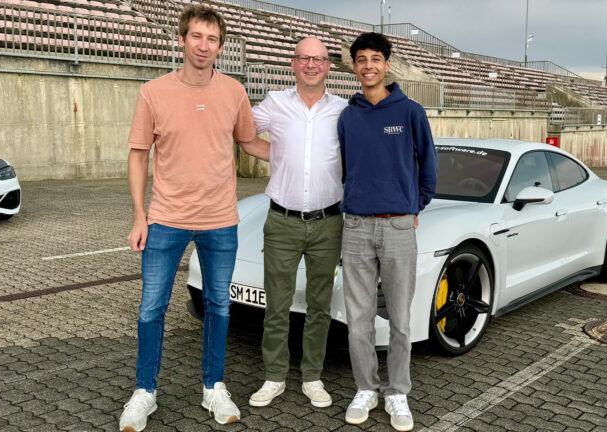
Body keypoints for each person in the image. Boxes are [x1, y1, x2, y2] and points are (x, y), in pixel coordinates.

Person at [119, 5, 268, 431]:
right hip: (165, 218)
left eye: (212, 39)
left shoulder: (234, 92)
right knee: (152, 306)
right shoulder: (153, 92)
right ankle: (144, 391)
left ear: (221, 46)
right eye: (197, 36)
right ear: (182, 39)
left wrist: (305, 159)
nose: (204, 46)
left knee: (219, 305)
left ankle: (213, 387)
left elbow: (250, 142)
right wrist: (138, 216)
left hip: (221, 219)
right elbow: (138, 154)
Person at [337, 32, 437, 432]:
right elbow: (347, 168)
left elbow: (428, 168)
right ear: (355, 66)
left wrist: (413, 206)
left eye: (375, 59)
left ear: (387, 64)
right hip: (357, 227)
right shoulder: (348, 116)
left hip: (398, 227)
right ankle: (366, 388)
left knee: (399, 318)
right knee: (358, 318)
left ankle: (397, 392)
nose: (368, 66)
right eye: (360, 60)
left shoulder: (410, 112)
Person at [248, 37, 348, 409]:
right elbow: (243, 134)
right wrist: (278, 156)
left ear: (328, 66)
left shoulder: (343, 110)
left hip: (328, 222)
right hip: (283, 222)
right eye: (304, 58)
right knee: (277, 304)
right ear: (293, 64)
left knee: (319, 306)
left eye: (318, 59)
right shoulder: (275, 103)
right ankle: (274, 377)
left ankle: (312, 377)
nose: (311, 65)